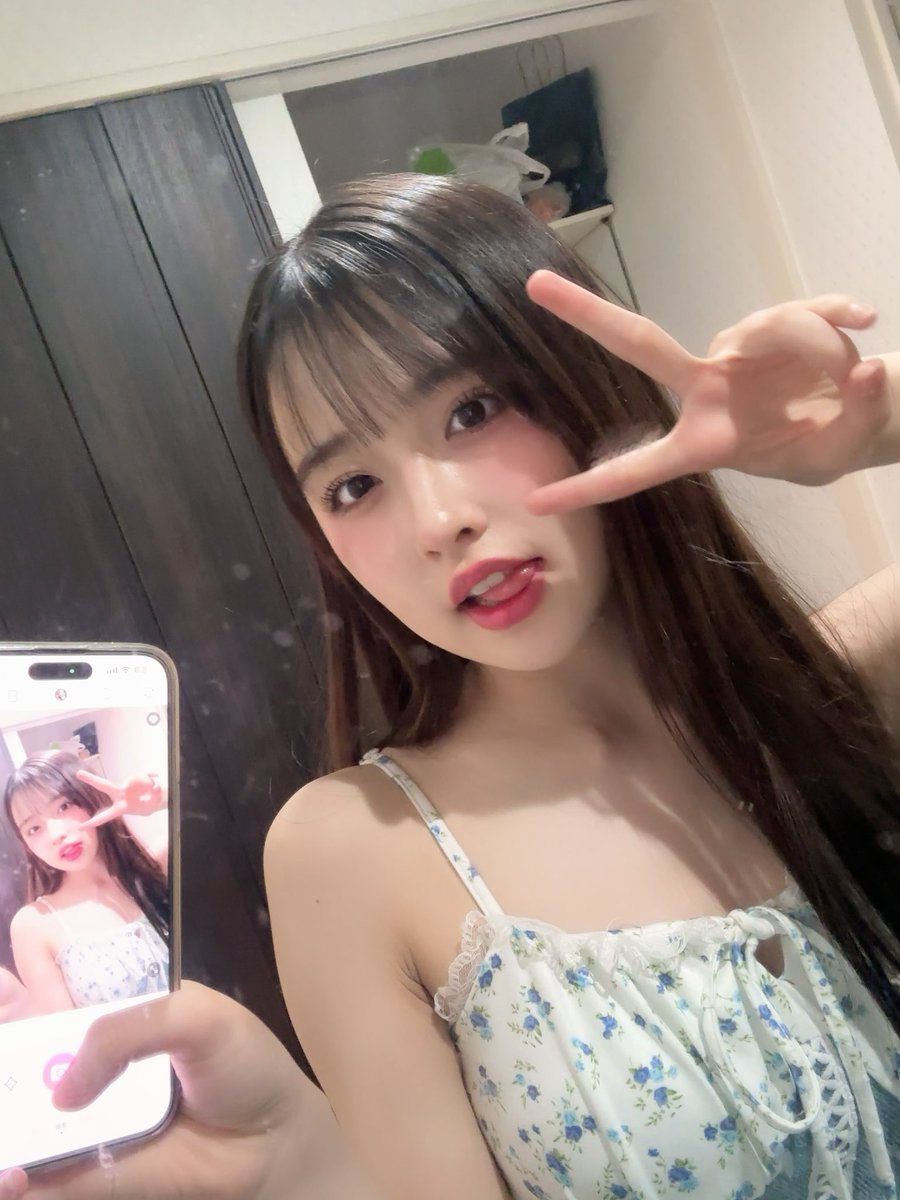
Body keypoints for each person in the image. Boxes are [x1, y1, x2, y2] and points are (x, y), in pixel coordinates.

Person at [3, 172, 899, 1199]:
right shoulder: (356, 852)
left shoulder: (825, 695)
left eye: (473, 410)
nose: (438, 522)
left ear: (581, 382)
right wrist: (302, 1167)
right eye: (354, 486)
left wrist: (877, 425)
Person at [3, 751, 169, 1014]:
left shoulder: (154, 869)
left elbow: (228, 803)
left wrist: (162, 799)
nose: (56, 835)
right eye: (34, 829)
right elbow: (67, 1033)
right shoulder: (34, 925)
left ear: (89, 797)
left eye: (64, 807)